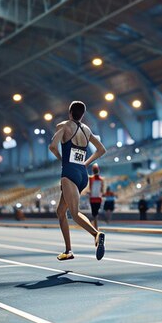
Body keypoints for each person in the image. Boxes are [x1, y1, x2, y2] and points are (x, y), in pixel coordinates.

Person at [49, 101, 107, 261]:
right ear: (82, 114)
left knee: (74, 213)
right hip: (82, 174)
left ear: (70, 112)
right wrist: (85, 164)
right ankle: (68, 250)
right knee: (61, 212)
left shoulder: (64, 126)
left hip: (69, 173)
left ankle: (97, 234)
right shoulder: (87, 129)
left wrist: (62, 159)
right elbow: (102, 149)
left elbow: (52, 146)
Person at [88, 163, 104, 230]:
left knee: (94, 213)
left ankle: (95, 226)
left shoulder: (90, 178)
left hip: (92, 198)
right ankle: (95, 225)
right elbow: (102, 190)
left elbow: (90, 188)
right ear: (98, 170)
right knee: (96, 213)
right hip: (98, 198)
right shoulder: (101, 179)